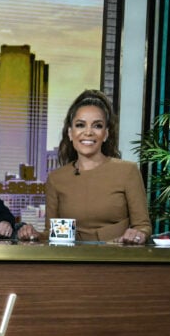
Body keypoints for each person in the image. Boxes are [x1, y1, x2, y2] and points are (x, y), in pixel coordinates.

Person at [17, 89, 150, 244]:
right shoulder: (56, 178)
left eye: (97, 126)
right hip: (72, 261)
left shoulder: (128, 171)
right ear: (70, 133)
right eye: (80, 125)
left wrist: (137, 235)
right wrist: (34, 234)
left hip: (116, 259)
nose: (88, 132)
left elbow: (143, 226)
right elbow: (51, 234)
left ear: (106, 134)